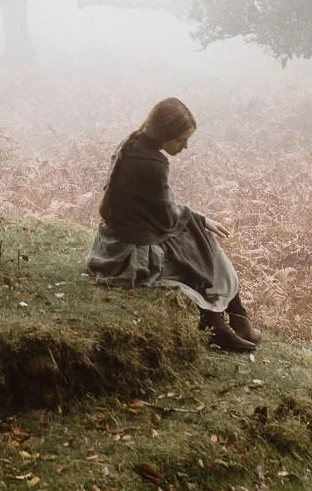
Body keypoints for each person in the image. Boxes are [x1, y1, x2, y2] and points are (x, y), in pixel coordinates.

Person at [85, 97, 259, 354]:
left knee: (197, 232)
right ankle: (222, 321)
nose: (185, 146)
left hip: (112, 245)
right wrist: (199, 220)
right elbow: (167, 218)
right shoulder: (153, 164)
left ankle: (231, 319)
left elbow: (157, 212)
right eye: (180, 140)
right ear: (164, 133)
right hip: (128, 257)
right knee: (201, 242)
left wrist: (198, 220)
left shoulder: (131, 144)